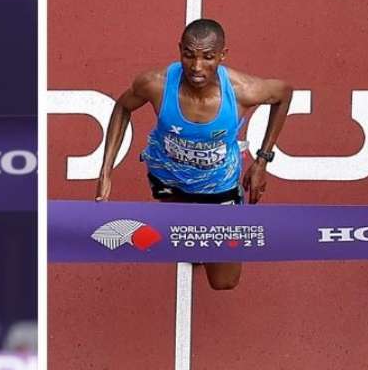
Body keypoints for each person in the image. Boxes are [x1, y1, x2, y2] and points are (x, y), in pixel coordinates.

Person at [95, 18, 294, 291]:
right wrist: (106, 170)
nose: (196, 67)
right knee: (186, 237)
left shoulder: (242, 91)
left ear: (223, 55)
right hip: (168, 179)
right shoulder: (156, 84)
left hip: (220, 187)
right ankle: (196, 244)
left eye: (208, 57)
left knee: (224, 282)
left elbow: (284, 95)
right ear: (179, 50)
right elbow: (122, 107)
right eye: (189, 55)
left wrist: (263, 160)